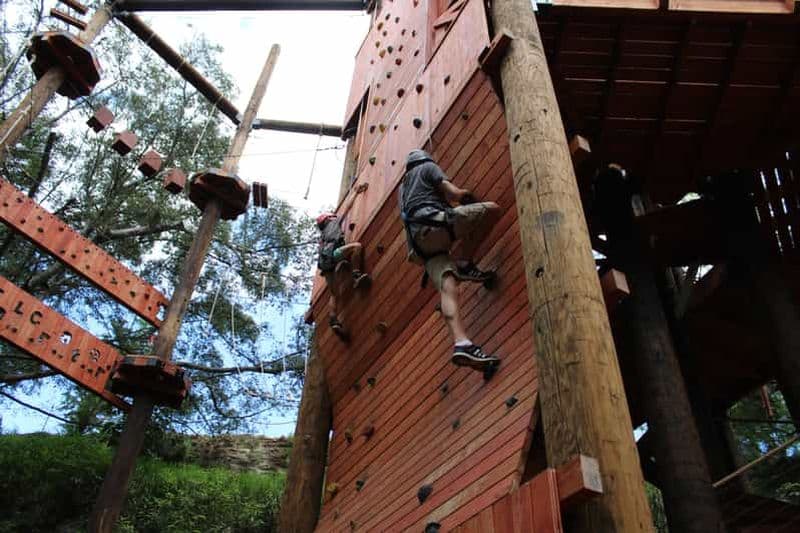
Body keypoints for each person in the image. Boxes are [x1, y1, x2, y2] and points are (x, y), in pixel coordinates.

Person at [399, 149, 501, 371]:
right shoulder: (427, 167)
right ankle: (465, 262)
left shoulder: (403, 188)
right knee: (492, 210)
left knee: (448, 286)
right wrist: (466, 195)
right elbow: (453, 193)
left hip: (421, 247)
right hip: (436, 224)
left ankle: (461, 342)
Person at [316, 212, 371, 341]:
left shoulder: (322, 238)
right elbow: (345, 211)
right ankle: (356, 275)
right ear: (328, 219)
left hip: (324, 263)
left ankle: (333, 320)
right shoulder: (333, 223)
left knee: (334, 293)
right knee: (357, 247)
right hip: (334, 254)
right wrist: (355, 193)